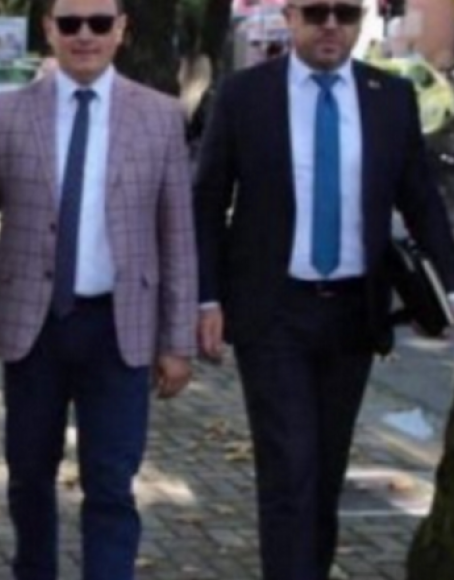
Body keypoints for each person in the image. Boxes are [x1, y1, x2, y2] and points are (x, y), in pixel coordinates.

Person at [193, 1, 454, 579]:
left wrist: (450, 290)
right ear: (290, 17)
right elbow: (207, 200)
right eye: (316, 12)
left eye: (346, 13)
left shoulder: (390, 97)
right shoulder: (245, 95)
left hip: (354, 315)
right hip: (272, 311)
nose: (331, 24)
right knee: (289, 469)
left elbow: (421, 198)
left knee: (325, 474)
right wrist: (206, 298)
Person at [0, 0, 198, 578]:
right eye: (70, 23)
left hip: (120, 329)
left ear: (121, 30)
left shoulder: (160, 116)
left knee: (111, 483)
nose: (85, 35)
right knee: (28, 477)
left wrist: (178, 340)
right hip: (33, 328)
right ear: (49, 30)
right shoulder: (7, 114)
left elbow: (177, 237)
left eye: (99, 23)